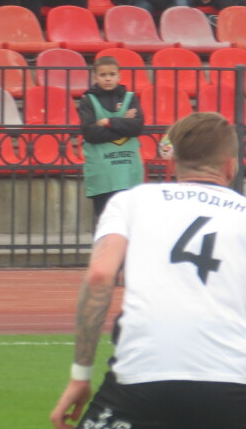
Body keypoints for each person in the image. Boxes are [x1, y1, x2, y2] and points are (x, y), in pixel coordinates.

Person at [50, 112, 246, 429]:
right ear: (230, 165)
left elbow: (100, 277)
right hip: (232, 380)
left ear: (173, 163)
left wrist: (81, 375)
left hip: (140, 378)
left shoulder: (131, 201)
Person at [77, 56, 145, 223]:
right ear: (95, 77)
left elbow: (137, 127)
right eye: (103, 75)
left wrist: (108, 122)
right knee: (106, 222)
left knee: (130, 223)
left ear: (119, 76)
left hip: (128, 171)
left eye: (112, 74)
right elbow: (90, 133)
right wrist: (124, 125)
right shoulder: (87, 100)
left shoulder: (130, 97)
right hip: (103, 174)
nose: (108, 78)